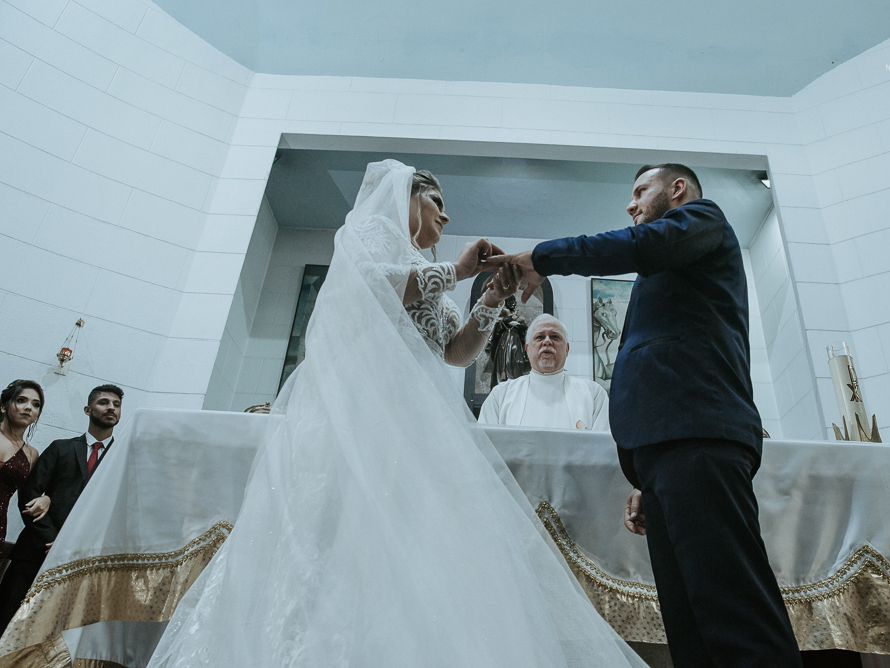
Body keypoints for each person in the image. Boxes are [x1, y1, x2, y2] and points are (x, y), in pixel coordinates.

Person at [148, 161, 645, 667]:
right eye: (437, 203)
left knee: (410, 542)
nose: (446, 217)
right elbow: (367, 287)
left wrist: (492, 296)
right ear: (408, 196)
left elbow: (454, 352)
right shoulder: (370, 233)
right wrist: (458, 271)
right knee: (342, 534)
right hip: (362, 409)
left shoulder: (423, 264)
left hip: (417, 418)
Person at [490, 163, 803, 667]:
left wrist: (542, 257)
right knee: (689, 623)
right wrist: (645, 473)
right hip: (669, 452)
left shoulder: (703, 219)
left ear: (676, 189)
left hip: (698, 436)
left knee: (734, 613)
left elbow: (636, 246)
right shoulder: (671, 266)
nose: (631, 204)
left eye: (640, 191)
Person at [0, 384, 122, 633]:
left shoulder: (122, 459)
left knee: (48, 632)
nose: (111, 408)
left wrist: (77, 546)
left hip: (79, 560)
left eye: (116, 405)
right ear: (88, 409)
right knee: (5, 618)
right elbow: (29, 495)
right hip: (34, 551)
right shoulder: (60, 448)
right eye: (104, 402)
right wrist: (51, 540)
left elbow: (119, 510)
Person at [478, 314, 610, 430]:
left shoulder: (593, 395)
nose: (547, 341)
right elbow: (484, 445)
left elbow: (603, 446)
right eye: (540, 337)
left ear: (567, 349)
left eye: (555, 337)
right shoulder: (501, 395)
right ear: (527, 350)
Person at [0, 380, 43, 546]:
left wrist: (46, 499)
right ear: (3, 406)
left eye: (36, 404)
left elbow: (28, 498)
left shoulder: (31, 454)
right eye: (21, 400)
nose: (28, 407)